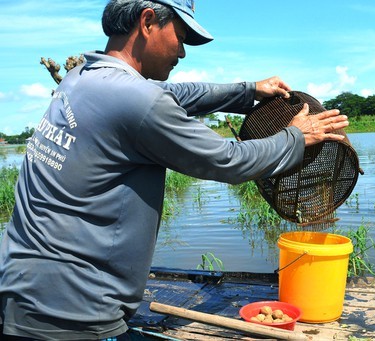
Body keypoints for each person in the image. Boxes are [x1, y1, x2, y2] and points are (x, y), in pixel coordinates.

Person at [0, 0, 348, 339]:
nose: (182, 52)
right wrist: (298, 137)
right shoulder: (135, 100)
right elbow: (229, 160)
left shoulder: (81, 78)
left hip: (21, 290)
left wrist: (249, 90)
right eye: (180, 36)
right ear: (148, 22)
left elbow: (177, 93)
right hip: (71, 315)